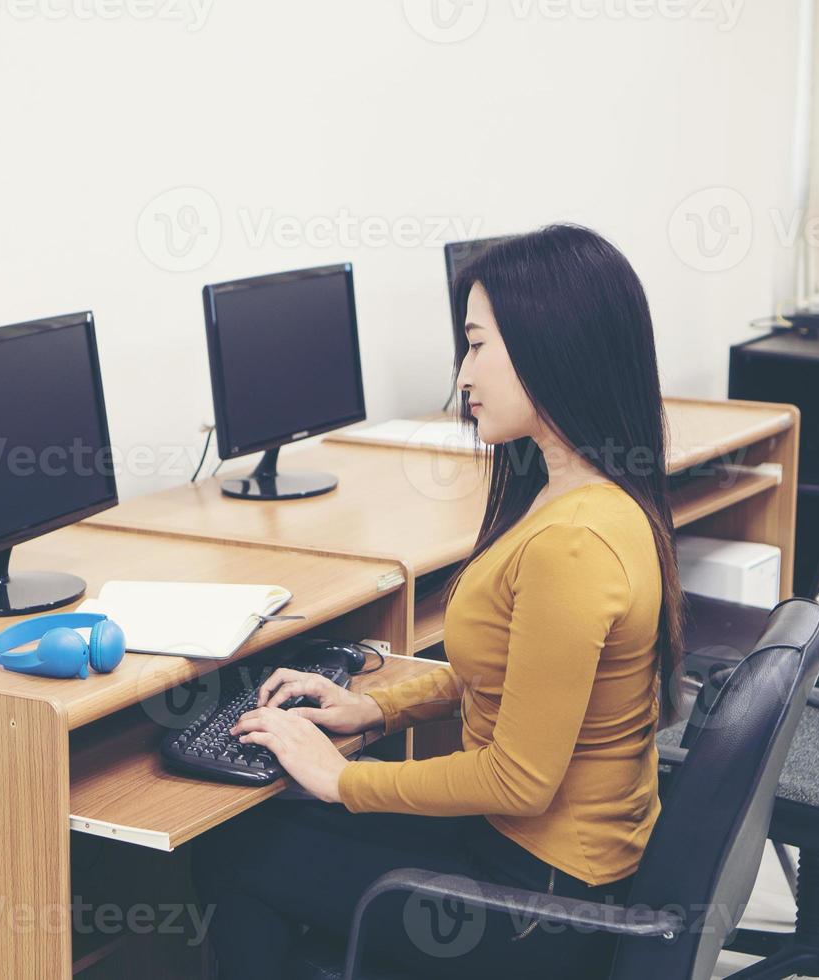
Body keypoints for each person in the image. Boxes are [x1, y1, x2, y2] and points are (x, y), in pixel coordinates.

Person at [192, 224, 686, 978]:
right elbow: (514, 671)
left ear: (552, 345)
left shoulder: (572, 544)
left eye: (478, 345)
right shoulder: (594, 498)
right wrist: (378, 710)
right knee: (281, 828)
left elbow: (519, 780)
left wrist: (342, 778)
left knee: (238, 849)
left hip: (537, 905)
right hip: (559, 869)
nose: (463, 373)